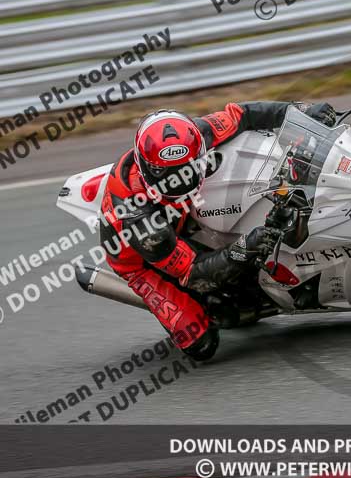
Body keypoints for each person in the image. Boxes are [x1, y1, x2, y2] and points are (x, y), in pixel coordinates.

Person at [98, 101, 337, 361]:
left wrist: (301, 112)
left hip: (182, 215)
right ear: (147, 171)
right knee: (201, 345)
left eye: (187, 169)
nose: (180, 180)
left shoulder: (195, 134)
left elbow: (244, 115)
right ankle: (198, 303)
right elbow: (191, 273)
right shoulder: (139, 220)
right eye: (169, 175)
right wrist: (244, 249)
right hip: (144, 259)